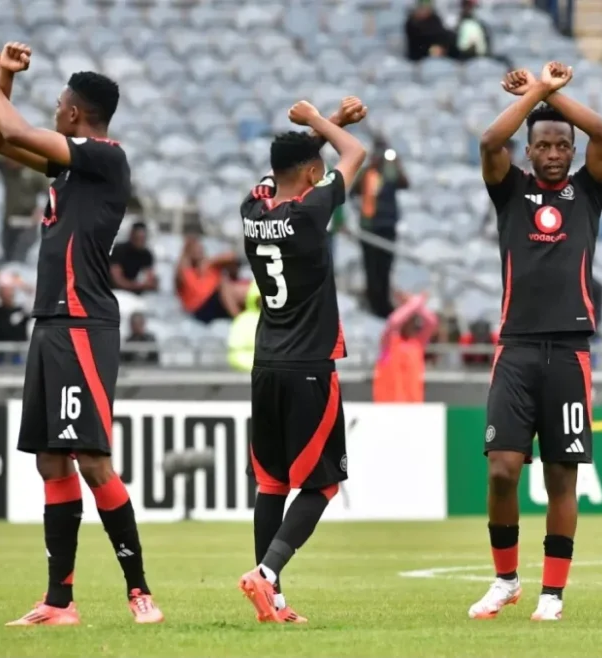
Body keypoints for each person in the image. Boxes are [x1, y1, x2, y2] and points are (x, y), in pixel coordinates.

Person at [0, 42, 163, 625]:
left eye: (60, 105)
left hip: (85, 322)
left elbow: (12, 128)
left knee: (92, 459)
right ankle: (59, 602)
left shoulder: (105, 157)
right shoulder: (71, 166)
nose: (55, 111)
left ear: (76, 114)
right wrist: (3, 81)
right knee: (51, 462)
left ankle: (140, 592)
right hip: (52, 321)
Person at [469, 61, 602, 622]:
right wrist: (534, 96)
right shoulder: (511, 191)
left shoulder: (588, 192)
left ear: (572, 152)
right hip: (517, 348)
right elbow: (490, 140)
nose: (553, 153)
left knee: (560, 477)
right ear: (528, 152)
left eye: (562, 146)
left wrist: (551, 92)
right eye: (543, 146)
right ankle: (506, 580)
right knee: (503, 469)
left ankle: (552, 593)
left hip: (571, 352)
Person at [237, 97, 368, 624]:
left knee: (271, 483)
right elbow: (355, 153)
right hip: (310, 364)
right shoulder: (312, 212)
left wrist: (325, 125)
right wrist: (319, 120)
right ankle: (266, 574)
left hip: (266, 363)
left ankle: (273, 600)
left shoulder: (252, 209)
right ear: (314, 174)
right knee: (321, 484)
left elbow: (287, 169)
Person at [0, 120, 50, 262]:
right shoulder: (5, 167)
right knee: (7, 256)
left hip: (27, 222)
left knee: (19, 259)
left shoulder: (34, 172)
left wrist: (42, 211)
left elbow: (52, 193)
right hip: (8, 221)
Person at [352, 140, 410, 319]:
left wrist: (396, 162)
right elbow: (353, 192)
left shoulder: (390, 172)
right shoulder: (366, 173)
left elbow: (405, 183)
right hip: (369, 227)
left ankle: (383, 305)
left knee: (385, 268)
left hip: (387, 227)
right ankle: (373, 303)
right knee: (371, 268)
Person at [373, 292, 438, 402]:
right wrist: (414, 303)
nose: (411, 325)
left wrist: (414, 304)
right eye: (407, 321)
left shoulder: (417, 344)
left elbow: (432, 322)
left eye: (413, 321)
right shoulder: (388, 344)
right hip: (387, 406)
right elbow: (394, 322)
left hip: (413, 405)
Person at [176, 232, 247, 324]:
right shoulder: (186, 271)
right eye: (195, 249)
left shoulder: (211, 266)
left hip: (219, 303)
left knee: (241, 289)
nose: (199, 250)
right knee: (225, 284)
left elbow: (232, 257)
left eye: (200, 248)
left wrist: (211, 262)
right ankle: (239, 320)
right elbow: (180, 272)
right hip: (201, 308)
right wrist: (186, 251)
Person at [110, 222, 157, 295]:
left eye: (142, 238)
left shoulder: (146, 255)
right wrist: (139, 286)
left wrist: (147, 284)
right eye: (137, 238)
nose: (140, 241)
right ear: (131, 235)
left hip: (133, 291)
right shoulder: (119, 251)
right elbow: (117, 281)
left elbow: (150, 280)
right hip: (114, 291)